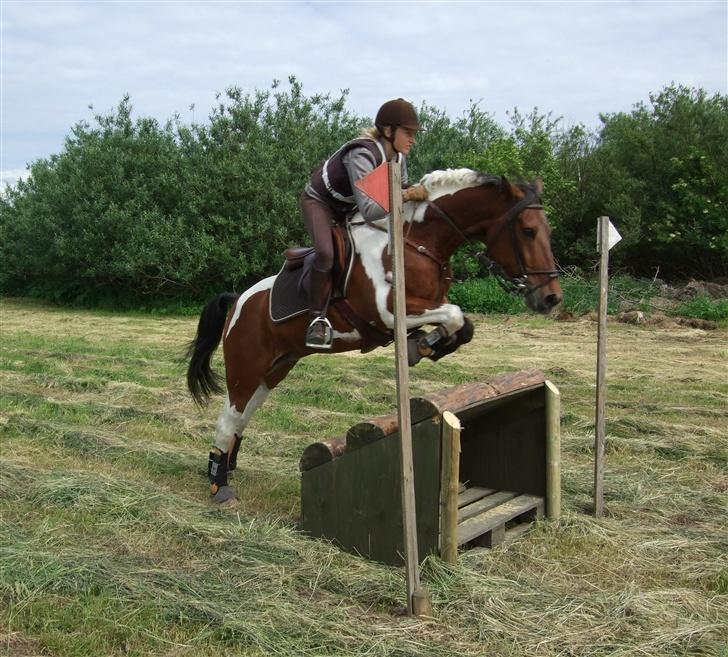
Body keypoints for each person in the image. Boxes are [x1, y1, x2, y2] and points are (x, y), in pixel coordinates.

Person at [301, 98, 429, 348]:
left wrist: (415, 192)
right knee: (327, 253)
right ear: (388, 131)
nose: (413, 139)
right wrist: (406, 194)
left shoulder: (398, 159)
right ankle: (316, 319)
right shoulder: (362, 154)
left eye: (414, 134)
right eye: (409, 133)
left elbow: (398, 194)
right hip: (320, 203)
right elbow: (372, 210)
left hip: (348, 207)